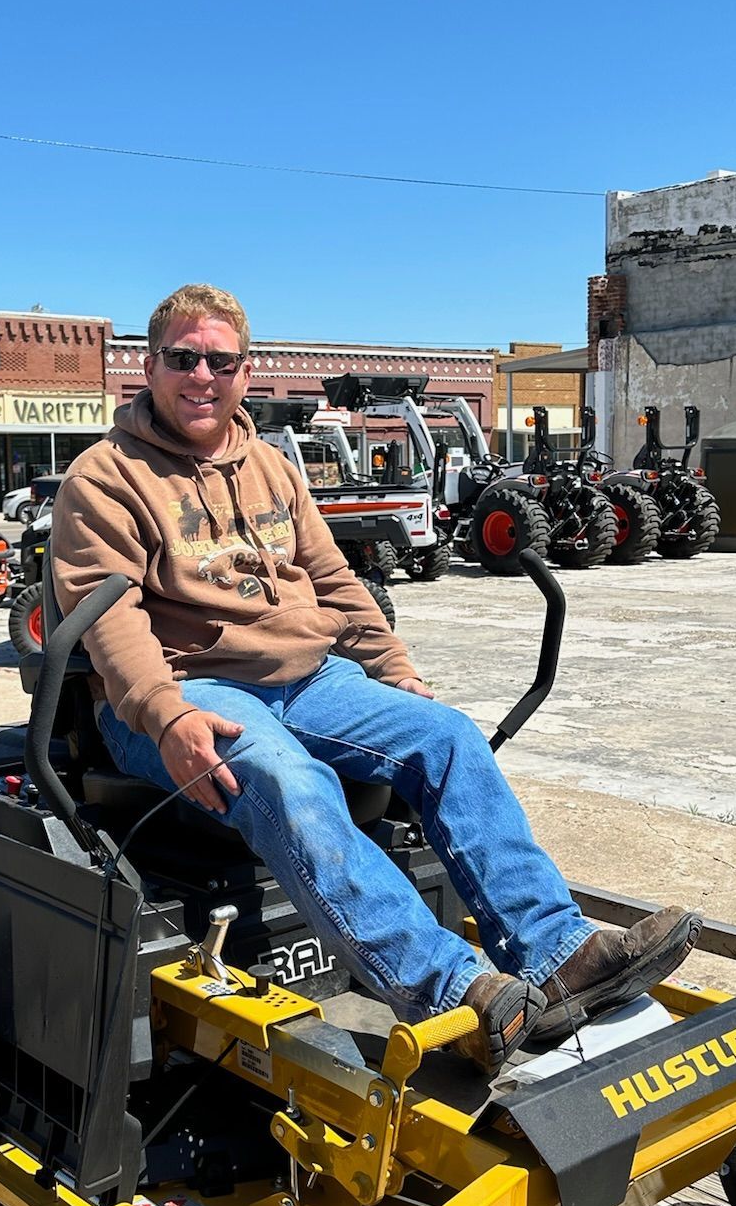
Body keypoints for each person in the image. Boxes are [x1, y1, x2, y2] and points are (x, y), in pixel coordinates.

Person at [53, 283, 699, 1073]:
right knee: (287, 777)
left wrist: (396, 672)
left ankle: (556, 953)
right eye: (183, 359)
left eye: (219, 361)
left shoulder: (269, 467)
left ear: (245, 373)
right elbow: (106, 617)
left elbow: (332, 579)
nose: (202, 376)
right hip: (186, 689)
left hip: (302, 679)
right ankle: (451, 991)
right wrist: (163, 714)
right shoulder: (104, 478)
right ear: (149, 367)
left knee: (448, 736)